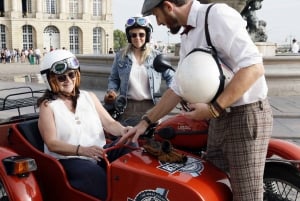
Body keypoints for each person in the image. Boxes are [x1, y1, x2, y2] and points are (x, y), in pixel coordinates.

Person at [119, 1, 273, 201]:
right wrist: (144, 123)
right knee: (213, 187)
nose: (158, 23)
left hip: (244, 116)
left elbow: (253, 67)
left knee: (246, 197)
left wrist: (213, 109)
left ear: (168, 6)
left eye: (157, 15)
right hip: (218, 119)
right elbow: (177, 88)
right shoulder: (188, 36)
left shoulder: (217, 15)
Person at [37, 49, 134, 200]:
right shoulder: (48, 106)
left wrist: (124, 131)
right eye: (62, 77)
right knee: (96, 176)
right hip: (69, 160)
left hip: (98, 153)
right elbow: (52, 143)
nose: (68, 80)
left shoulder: (89, 96)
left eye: (71, 74)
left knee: (132, 148)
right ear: (50, 80)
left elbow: (109, 123)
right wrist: (81, 150)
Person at [105, 16, 174, 126]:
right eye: (133, 35)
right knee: (127, 140)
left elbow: (171, 77)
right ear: (129, 36)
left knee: (150, 140)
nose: (137, 38)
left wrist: (170, 96)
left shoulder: (157, 56)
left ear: (147, 35)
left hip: (151, 107)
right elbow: (114, 79)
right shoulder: (120, 56)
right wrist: (111, 91)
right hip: (127, 107)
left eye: (141, 34)